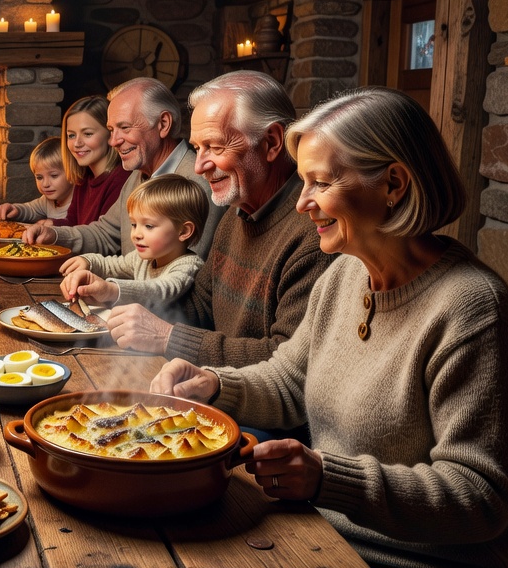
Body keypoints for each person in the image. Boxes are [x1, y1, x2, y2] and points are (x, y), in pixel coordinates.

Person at [151, 87, 508, 568]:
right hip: (335, 533)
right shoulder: (345, 275)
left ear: (394, 184)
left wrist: (326, 478)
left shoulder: (472, 310)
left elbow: (480, 495)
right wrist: (214, 384)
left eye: (321, 182)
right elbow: (291, 379)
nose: (301, 202)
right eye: (303, 180)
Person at [102, 71, 333, 367]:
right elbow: (200, 305)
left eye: (215, 146)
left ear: (272, 142)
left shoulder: (315, 233)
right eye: (197, 149)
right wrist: (118, 307)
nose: (198, 167)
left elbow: (287, 362)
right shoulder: (237, 213)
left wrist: (168, 337)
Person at [25, 77, 223, 260]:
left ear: (163, 124)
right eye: (111, 130)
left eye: (125, 128)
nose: (113, 141)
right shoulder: (139, 174)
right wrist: (54, 235)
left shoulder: (197, 183)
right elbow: (106, 233)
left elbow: (182, 277)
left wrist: (112, 289)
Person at [59, 174, 209, 322]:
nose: (136, 234)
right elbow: (112, 265)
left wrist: (111, 290)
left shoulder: (189, 265)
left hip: (171, 344)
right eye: (134, 224)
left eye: (148, 226)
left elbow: (159, 290)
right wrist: (87, 262)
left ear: (183, 231)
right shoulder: (142, 259)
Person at [54, 95, 128, 227]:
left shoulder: (121, 179)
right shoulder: (84, 177)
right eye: (71, 135)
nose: (77, 143)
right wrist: (47, 224)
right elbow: (72, 223)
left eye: (87, 134)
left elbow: (105, 238)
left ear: (110, 134)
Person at [0, 136, 73, 223]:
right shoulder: (48, 201)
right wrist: (15, 210)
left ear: (73, 172)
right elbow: (31, 209)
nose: (45, 184)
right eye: (39, 177)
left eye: (54, 176)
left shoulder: (81, 203)